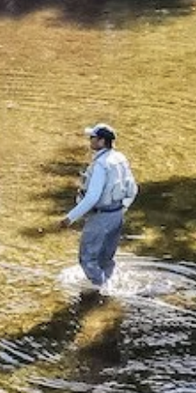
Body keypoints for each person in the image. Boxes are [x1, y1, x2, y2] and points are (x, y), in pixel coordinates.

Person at [60, 123, 136, 287]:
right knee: (106, 258)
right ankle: (107, 284)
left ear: (101, 141)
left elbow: (92, 197)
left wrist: (69, 218)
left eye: (92, 138)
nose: (90, 141)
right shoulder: (120, 158)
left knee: (87, 258)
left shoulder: (101, 165)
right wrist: (123, 208)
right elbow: (133, 189)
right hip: (117, 214)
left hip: (101, 217)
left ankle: (99, 289)